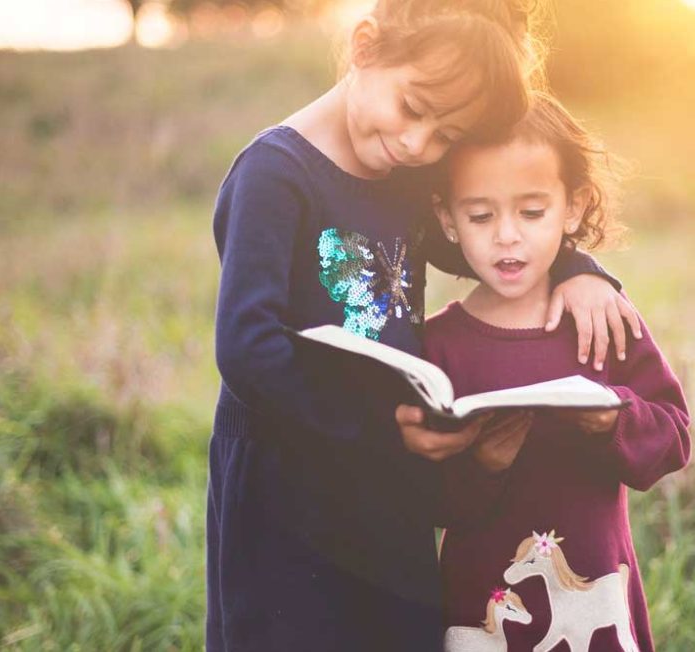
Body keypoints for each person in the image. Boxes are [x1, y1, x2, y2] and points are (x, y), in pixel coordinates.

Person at [207, 2, 640, 649]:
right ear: (364, 47)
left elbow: (486, 248)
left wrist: (579, 267)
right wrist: (382, 430)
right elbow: (246, 349)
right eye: (413, 109)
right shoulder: (276, 175)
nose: (418, 145)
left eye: (445, 137)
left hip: (388, 484)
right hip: (286, 487)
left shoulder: (403, 176)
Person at [426, 92, 691, 652]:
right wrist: (482, 464)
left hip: (593, 588)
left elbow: (673, 437)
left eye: (531, 212)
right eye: (480, 215)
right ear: (447, 218)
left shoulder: (601, 319)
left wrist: (614, 417)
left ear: (572, 207)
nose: (506, 235)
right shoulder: (438, 345)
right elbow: (421, 498)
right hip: (482, 600)